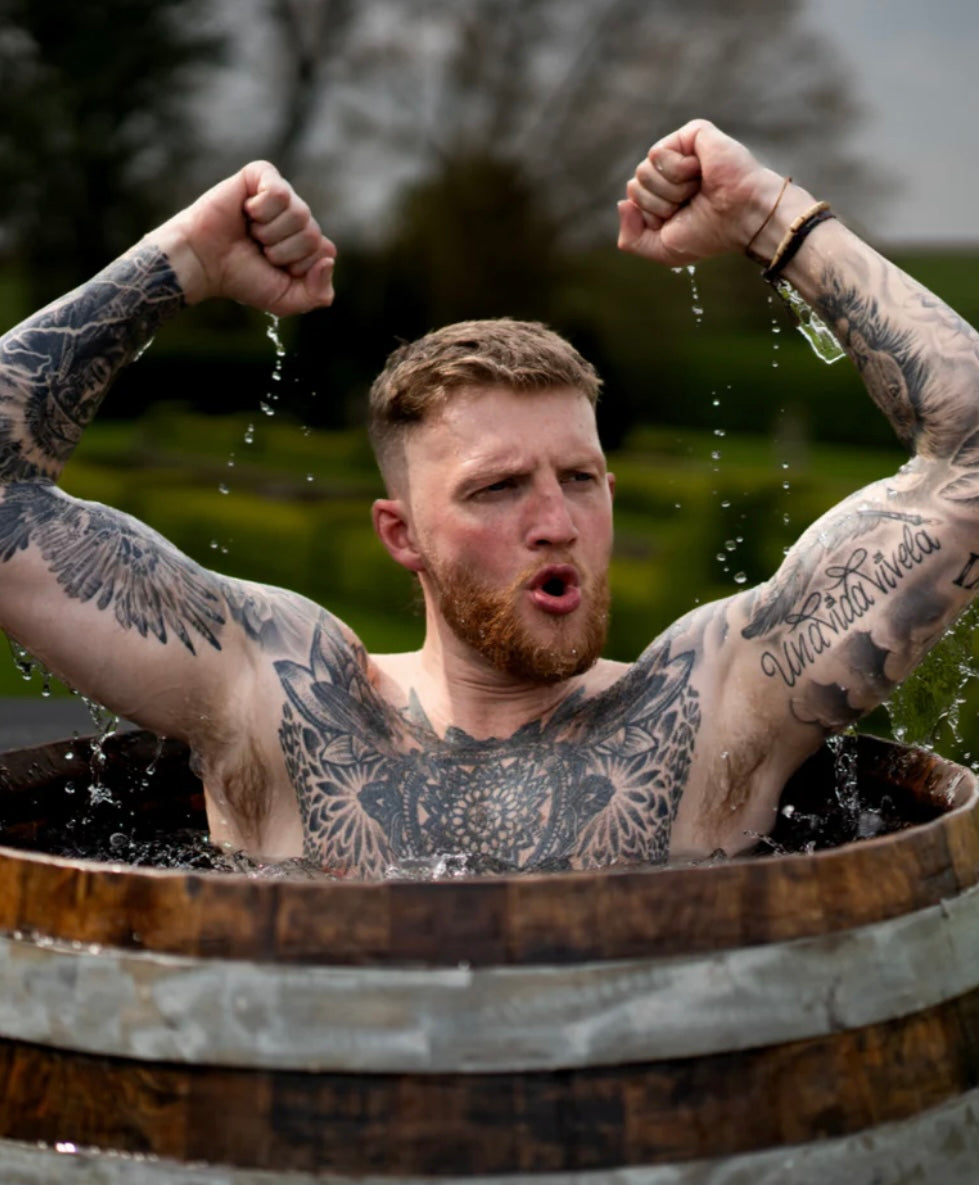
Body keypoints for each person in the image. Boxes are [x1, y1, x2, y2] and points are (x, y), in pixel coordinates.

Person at [0, 119, 975, 878]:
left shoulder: (713, 706)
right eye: (497, 488)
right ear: (402, 534)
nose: (554, 522)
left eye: (579, 480)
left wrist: (772, 219)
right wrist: (184, 263)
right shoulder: (272, 695)